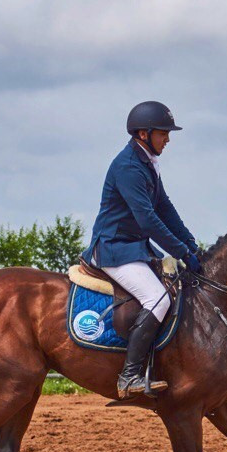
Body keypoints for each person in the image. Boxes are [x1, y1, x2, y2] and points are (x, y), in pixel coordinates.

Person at [81, 101, 203, 398]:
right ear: (143, 133)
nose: (168, 139)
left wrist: (190, 244)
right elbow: (147, 219)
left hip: (133, 248)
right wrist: (182, 253)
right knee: (158, 299)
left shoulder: (147, 162)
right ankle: (129, 376)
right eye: (163, 133)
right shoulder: (129, 166)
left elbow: (165, 208)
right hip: (114, 249)